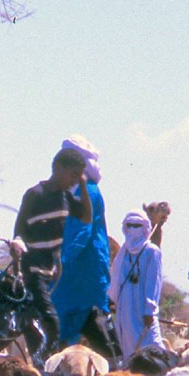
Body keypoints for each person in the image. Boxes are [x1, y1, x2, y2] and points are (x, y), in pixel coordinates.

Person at [9, 148, 92, 359]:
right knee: (51, 321)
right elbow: (19, 229)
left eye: (78, 176)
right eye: (73, 175)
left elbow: (86, 217)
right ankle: (46, 366)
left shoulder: (65, 197)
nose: (74, 180)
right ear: (57, 168)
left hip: (50, 273)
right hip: (32, 270)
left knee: (45, 323)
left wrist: (83, 185)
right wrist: (17, 242)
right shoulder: (35, 194)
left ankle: (42, 361)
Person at [47, 136, 117, 357]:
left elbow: (81, 232)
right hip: (70, 273)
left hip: (83, 270)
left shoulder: (90, 192)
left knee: (89, 322)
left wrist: (60, 262)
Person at [108, 210, 166, 356]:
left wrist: (149, 310)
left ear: (145, 227)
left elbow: (154, 282)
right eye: (130, 225)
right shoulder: (123, 252)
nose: (133, 229)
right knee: (126, 347)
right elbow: (116, 277)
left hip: (142, 309)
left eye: (137, 225)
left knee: (152, 346)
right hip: (124, 308)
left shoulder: (152, 251)